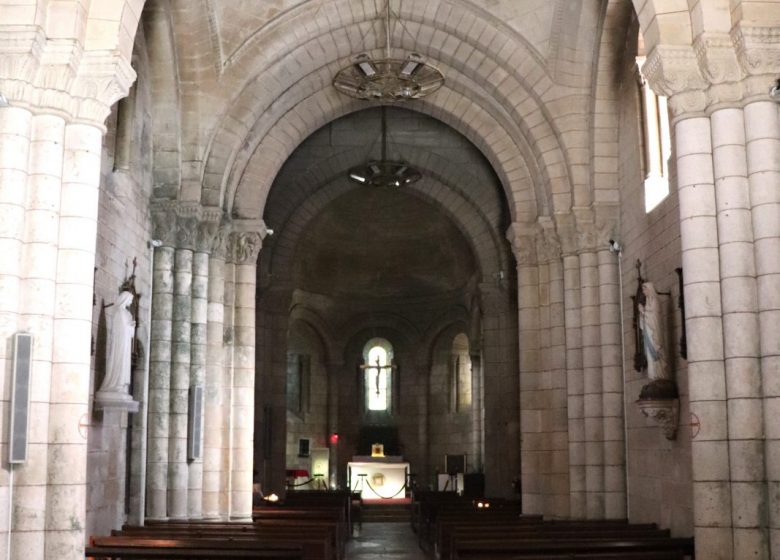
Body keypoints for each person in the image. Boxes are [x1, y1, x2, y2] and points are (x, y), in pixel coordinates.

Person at [100, 291, 135, 394]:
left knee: (124, 361)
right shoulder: (119, 312)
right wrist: (129, 327)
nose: (131, 302)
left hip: (126, 343)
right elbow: (120, 329)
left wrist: (131, 327)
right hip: (120, 343)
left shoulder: (126, 313)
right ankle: (117, 383)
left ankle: (121, 384)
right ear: (125, 299)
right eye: (130, 300)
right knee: (119, 360)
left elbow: (128, 330)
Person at [638, 282, 668, 381]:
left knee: (656, 350)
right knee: (650, 354)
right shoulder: (647, 302)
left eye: (644, 289)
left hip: (654, 331)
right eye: (643, 290)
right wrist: (642, 315)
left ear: (649, 289)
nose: (643, 292)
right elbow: (645, 318)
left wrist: (643, 311)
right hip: (648, 331)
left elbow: (655, 317)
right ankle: (653, 376)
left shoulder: (655, 301)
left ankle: (660, 375)